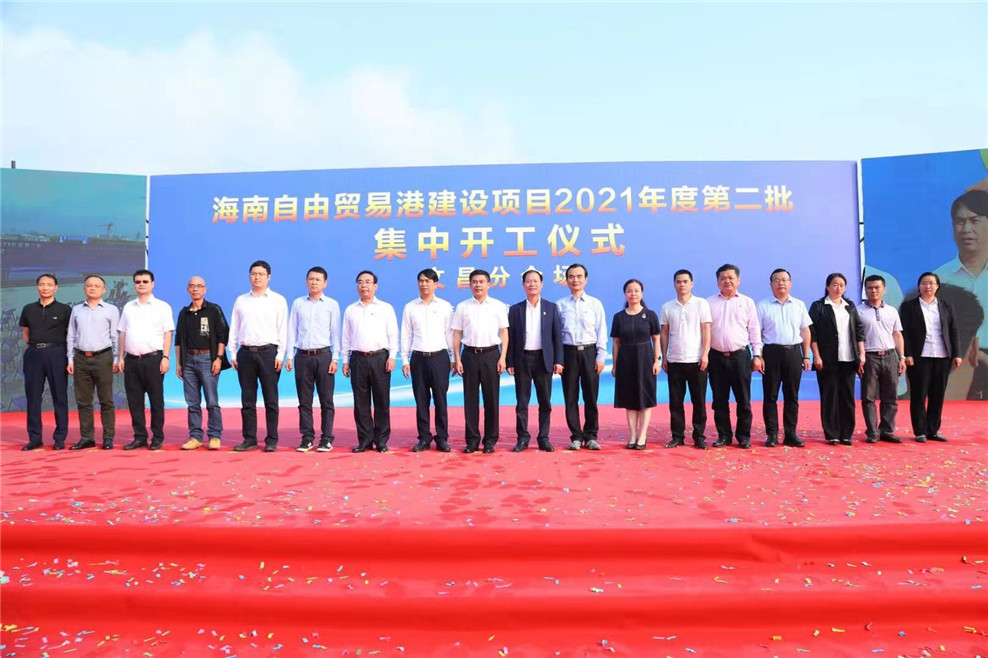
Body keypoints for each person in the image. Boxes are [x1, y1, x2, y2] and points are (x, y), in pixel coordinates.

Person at [228, 260, 288, 453]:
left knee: (271, 400)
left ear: (269, 277)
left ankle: (271, 439)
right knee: (247, 400)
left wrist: (280, 355)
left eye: (261, 274)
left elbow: (283, 330)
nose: (257, 277)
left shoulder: (278, 300)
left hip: (269, 354)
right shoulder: (241, 300)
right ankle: (249, 439)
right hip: (245, 353)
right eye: (253, 274)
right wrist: (232, 352)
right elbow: (234, 327)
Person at [933, 190, 988, 399]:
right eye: (959, 222)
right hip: (956, 363)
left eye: (975, 220)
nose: (966, 229)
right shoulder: (938, 279)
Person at [899, 272, 963, 442]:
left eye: (931, 283)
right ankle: (920, 431)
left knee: (937, 395)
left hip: (942, 356)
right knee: (919, 395)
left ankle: (932, 430)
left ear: (937, 286)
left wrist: (957, 354)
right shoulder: (909, 306)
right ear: (919, 286)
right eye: (924, 283)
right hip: (919, 357)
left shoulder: (946, 306)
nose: (928, 286)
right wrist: (908, 354)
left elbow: (954, 330)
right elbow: (904, 332)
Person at [506, 266, 563, 452]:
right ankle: (522, 438)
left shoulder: (551, 308)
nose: (532, 284)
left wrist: (558, 360)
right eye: (528, 281)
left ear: (542, 284)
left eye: (535, 281)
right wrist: (510, 361)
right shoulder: (515, 310)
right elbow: (511, 337)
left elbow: (557, 337)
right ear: (523, 285)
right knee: (522, 402)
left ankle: (543, 437)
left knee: (545, 401)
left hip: (543, 360)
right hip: (522, 359)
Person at [452, 269, 509, 453]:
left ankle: (490, 440)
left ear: (488, 284)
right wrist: (457, 358)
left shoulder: (498, 306)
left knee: (491, 399)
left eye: (481, 282)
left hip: (491, 355)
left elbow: (504, 332)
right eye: (474, 282)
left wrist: (503, 357)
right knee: (470, 400)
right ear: (469, 285)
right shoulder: (463, 307)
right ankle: (472, 440)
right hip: (469, 355)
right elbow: (457, 334)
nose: (478, 285)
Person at [341, 270, 398, 453]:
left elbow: (393, 334)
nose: (363, 285)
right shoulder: (351, 310)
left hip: (380, 358)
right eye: (360, 282)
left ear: (375, 286)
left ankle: (381, 441)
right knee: (361, 403)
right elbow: (346, 338)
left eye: (367, 282)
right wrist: (345, 360)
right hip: (358, 359)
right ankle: (365, 440)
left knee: (382, 401)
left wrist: (392, 356)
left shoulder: (385, 308)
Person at [706, 264, 762, 449]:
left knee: (743, 399)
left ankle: (743, 436)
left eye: (731, 277)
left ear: (738, 280)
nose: (727, 281)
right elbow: (703, 331)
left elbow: (754, 330)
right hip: (716, 357)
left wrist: (757, 355)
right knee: (719, 400)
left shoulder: (747, 302)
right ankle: (724, 435)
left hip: (740, 356)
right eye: (723, 278)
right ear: (717, 282)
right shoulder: (708, 303)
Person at [117, 269, 174, 451]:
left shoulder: (162, 306)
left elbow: (168, 333)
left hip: (154, 359)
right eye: (138, 282)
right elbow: (122, 333)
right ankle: (139, 437)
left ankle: (157, 437)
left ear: (152, 284)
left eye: (145, 281)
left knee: (156, 401)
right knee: (134, 401)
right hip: (132, 360)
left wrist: (166, 357)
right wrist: (120, 357)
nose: (141, 284)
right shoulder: (128, 307)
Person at [286, 267, 341, 453]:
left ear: (325, 283)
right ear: (306, 281)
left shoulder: (331, 305)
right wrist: (289, 356)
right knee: (304, 401)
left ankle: (326, 438)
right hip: (302, 357)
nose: (314, 282)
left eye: (318, 279)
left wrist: (335, 358)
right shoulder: (298, 303)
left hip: (324, 356)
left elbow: (335, 333)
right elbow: (291, 330)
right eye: (311, 279)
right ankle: (307, 438)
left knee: (326, 400)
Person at [756, 268, 813, 448]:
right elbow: (756, 333)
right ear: (770, 284)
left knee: (792, 395)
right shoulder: (762, 306)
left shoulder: (799, 305)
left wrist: (806, 356)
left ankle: (790, 434)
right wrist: (758, 355)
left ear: (790, 283)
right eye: (776, 280)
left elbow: (805, 331)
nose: (781, 283)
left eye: (784, 279)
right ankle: (772, 434)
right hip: (771, 353)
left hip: (793, 353)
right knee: (770, 396)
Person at [399, 268, 454, 452]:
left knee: (440, 399)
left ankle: (442, 438)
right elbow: (406, 334)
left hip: (439, 357)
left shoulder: (445, 306)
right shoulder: (410, 307)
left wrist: (453, 358)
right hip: (418, 358)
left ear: (436, 284)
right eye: (421, 281)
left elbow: (450, 334)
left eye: (427, 281)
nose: (423, 284)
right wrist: (405, 359)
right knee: (421, 400)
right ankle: (424, 437)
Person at [808, 273, 865, 446]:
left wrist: (861, 354)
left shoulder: (850, 306)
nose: (838, 288)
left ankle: (846, 434)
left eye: (841, 285)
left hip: (849, 359)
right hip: (827, 360)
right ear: (827, 286)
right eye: (834, 284)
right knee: (829, 397)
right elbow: (812, 333)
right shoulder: (819, 306)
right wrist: (816, 355)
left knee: (847, 398)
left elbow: (859, 331)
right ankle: (832, 433)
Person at [175, 276, 230, 451]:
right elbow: (178, 340)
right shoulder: (184, 313)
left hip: (208, 359)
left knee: (212, 401)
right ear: (187, 290)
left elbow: (223, 335)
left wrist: (218, 358)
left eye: (199, 286)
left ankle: (214, 435)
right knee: (192, 402)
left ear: (205, 289)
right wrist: (179, 363)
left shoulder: (213, 310)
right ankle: (195, 437)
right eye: (192, 286)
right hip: (188, 361)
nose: (195, 289)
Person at [557, 263, 607, 451]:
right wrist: (558, 359)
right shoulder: (560, 305)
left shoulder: (595, 304)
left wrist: (600, 356)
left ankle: (591, 436)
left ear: (586, 279)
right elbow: (556, 335)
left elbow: (601, 331)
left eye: (579, 276)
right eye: (571, 276)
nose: (575, 280)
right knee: (570, 397)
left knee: (591, 397)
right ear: (566, 280)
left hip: (589, 352)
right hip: (568, 353)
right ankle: (576, 436)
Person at [659, 269, 711, 450]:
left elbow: (706, 330)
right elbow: (664, 333)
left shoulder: (701, 304)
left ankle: (699, 436)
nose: (682, 284)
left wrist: (705, 354)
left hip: (697, 361)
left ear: (692, 284)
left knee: (699, 401)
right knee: (675, 402)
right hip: (674, 360)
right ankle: (677, 436)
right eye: (678, 282)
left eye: (685, 281)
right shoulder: (667, 307)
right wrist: (664, 356)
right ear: (674, 284)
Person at [67, 275, 120, 450]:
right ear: (84, 289)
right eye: (89, 285)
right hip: (80, 358)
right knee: (83, 401)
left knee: (106, 400)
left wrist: (117, 358)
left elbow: (115, 336)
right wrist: (70, 358)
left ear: (103, 290)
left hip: (103, 358)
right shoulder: (76, 310)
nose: (92, 288)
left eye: (97, 286)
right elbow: (71, 335)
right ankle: (87, 437)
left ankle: (108, 438)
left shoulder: (111, 310)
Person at [19, 273, 71, 451]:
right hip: (34, 354)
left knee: (60, 396)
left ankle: (60, 438)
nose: (45, 288)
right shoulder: (28, 309)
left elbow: (70, 334)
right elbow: (26, 334)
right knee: (33, 397)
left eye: (49, 284)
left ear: (56, 288)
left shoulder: (65, 309)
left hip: (57, 353)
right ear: (37, 287)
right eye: (42, 284)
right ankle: (35, 438)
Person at [611, 278, 661, 449]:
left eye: (636, 290)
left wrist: (657, 361)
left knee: (645, 399)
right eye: (629, 291)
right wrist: (615, 365)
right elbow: (616, 342)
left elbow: (656, 339)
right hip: (626, 361)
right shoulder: (619, 317)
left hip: (645, 361)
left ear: (642, 293)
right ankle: (632, 435)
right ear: (625, 294)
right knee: (630, 400)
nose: (633, 294)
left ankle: (642, 435)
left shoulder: (650, 315)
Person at [858, 274, 907, 444]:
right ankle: (872, 432)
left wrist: (902, 357)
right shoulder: (858, 311)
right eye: (870, 288)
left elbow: (897, 334)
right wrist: (860, 358)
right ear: (865, 290)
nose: (873, 290)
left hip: (890, 356)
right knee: (868, 397)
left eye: (877, 287)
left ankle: (887, 430)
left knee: (890, 396)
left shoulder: (892, 311)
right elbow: (856, 338)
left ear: (884, 290)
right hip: (869, 357)